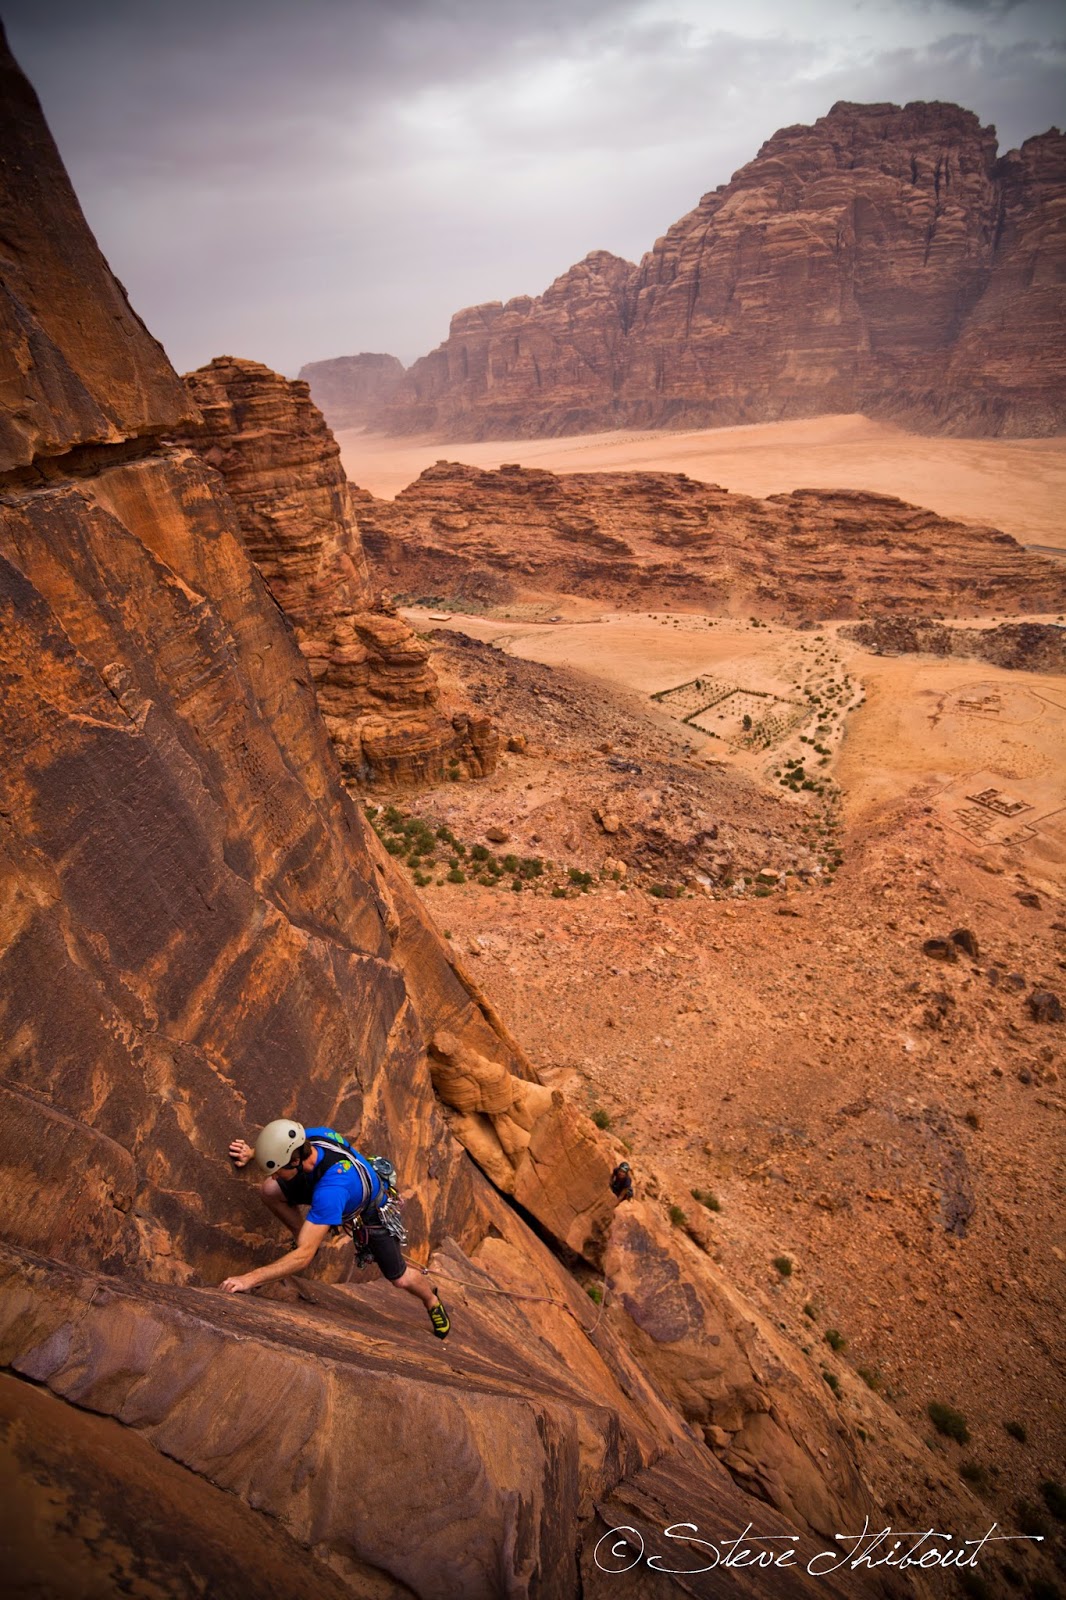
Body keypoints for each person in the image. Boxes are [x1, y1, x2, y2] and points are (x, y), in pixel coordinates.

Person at [221, 1118, 450, 1339]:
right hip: (330, 1182)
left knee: (400, 1278)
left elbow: (303, 1260)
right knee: (270, 1190)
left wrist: (249, 1279)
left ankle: (432, 1300)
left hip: (371, 1211)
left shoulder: (331, 1191)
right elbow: (282, 1146)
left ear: (294, 1161)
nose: (274, 1173)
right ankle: (305, 1237)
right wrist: (253, 1153)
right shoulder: (310, 1138)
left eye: (277, 1168)